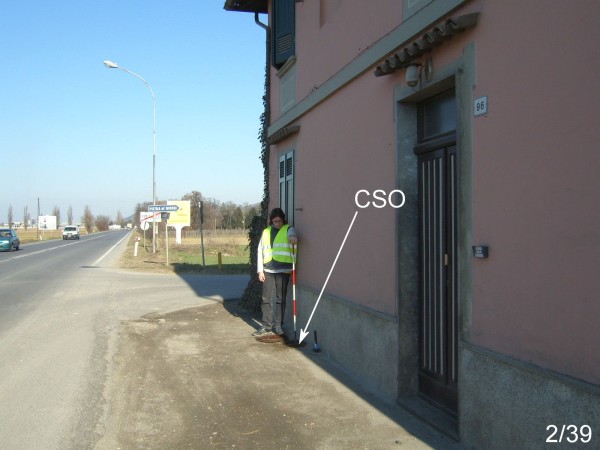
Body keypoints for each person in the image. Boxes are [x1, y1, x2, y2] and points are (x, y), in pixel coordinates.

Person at [253, 208, 298, 336]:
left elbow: (292, 235)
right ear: (271, 221)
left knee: (280, 299)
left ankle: (278, 325)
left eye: (279, 221)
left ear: (283, 220)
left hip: (283, 270)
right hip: (268, 270)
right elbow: (260, 250)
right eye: (275, 221)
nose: (277, 223)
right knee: (266, 298)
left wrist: (293, 237)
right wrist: (260, 271)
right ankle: (266, 325)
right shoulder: (266, 232)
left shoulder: (289, 229)